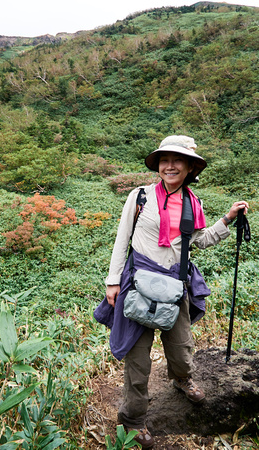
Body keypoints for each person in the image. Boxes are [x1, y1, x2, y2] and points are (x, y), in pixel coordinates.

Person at [94, 135, 249, 449]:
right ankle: (133, 421)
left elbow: (200, 241)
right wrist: (112, 280)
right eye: (164, 160)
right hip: (137, 285)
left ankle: (182, 379)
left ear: (190, 167)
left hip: (174, 287)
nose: (170, 166)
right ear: (158, 165)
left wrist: (227, 219)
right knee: (138, 363)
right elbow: (122, 239)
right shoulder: (140, 197)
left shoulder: (194, 203)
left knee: (181, 348)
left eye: (177, 160)